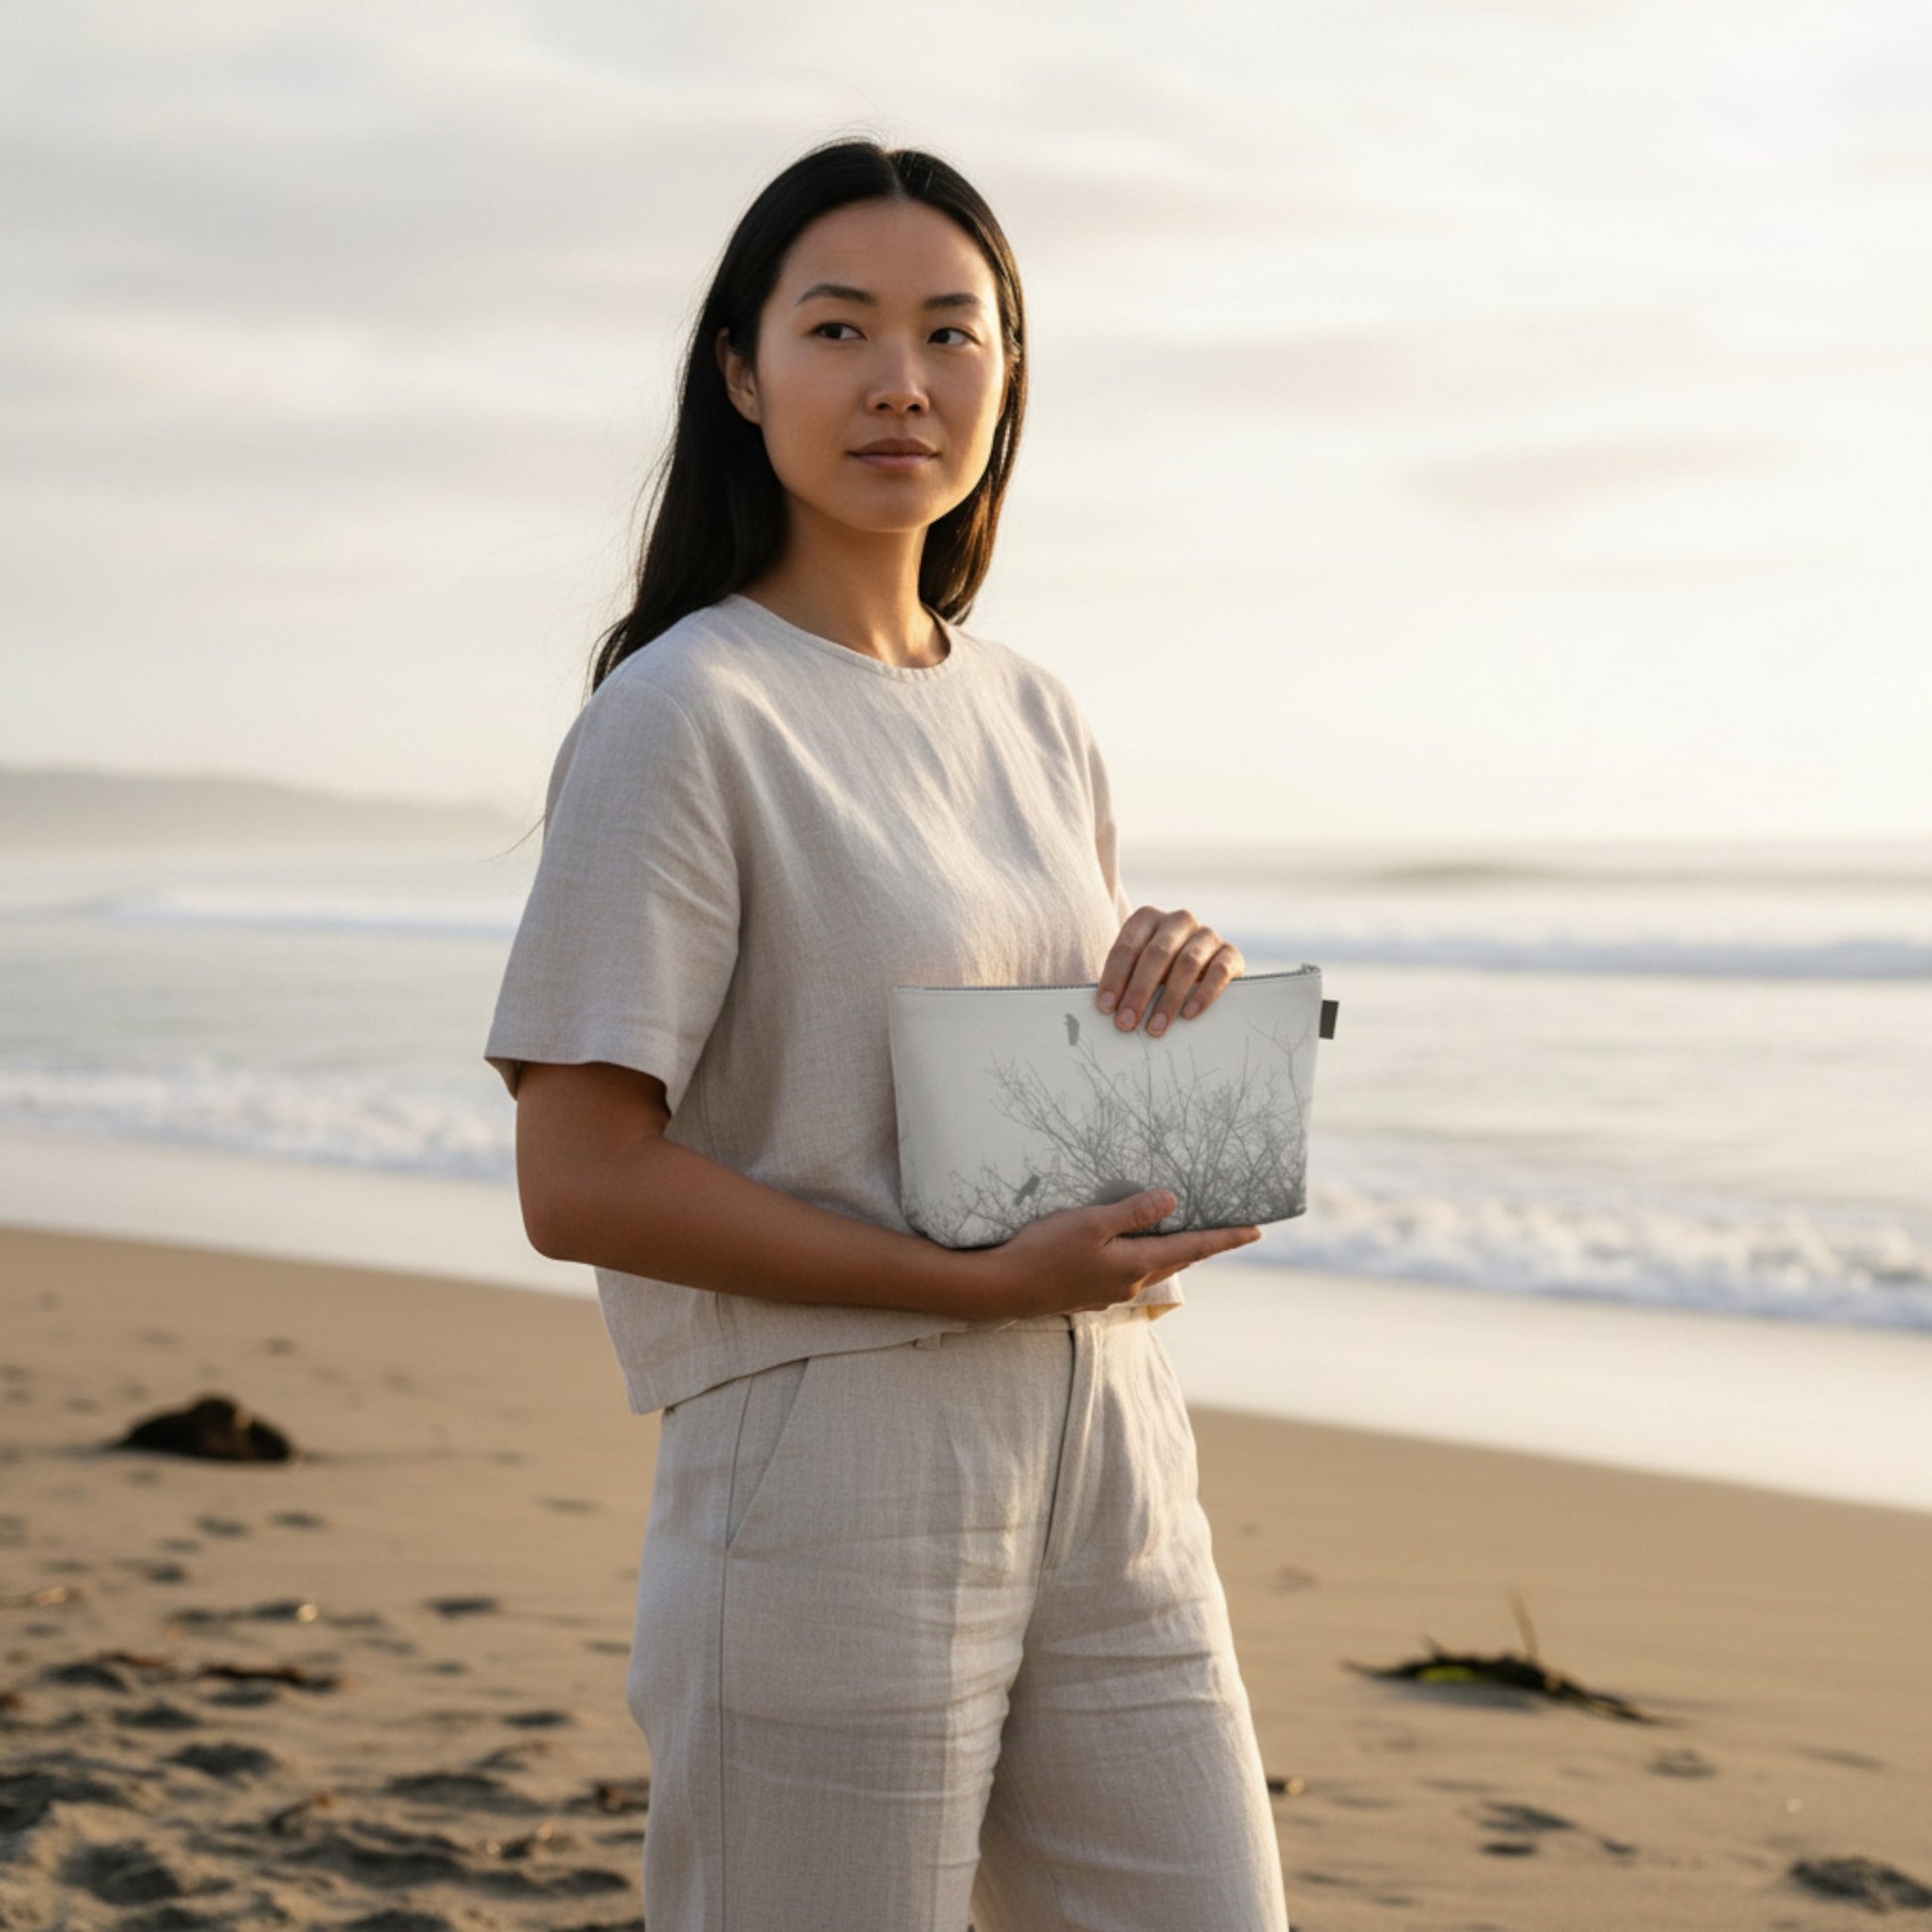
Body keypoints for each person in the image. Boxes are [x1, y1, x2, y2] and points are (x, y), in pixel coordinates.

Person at [483, 135, 1292, 1932]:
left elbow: (1011, 1109)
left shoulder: (1036, 714)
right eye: (839, 328)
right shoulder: (682, 713)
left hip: (1112, 1433)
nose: (900, 382)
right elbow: (578, 1176)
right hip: (829, 1451)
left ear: (1008, 377)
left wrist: (1168, 985)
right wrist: (969, 1287)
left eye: (953, 333)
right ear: (740, 369)